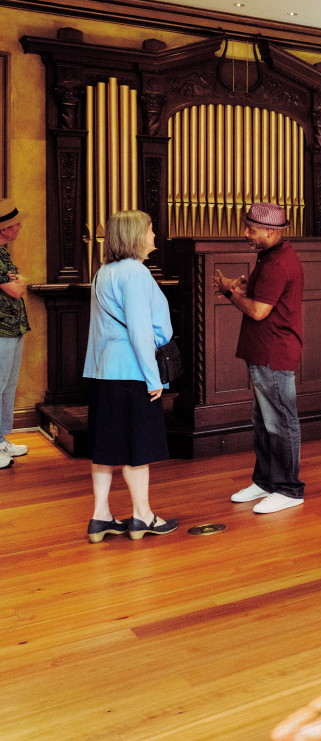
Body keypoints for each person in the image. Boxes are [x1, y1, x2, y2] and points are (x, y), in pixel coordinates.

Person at [83, 211, 178, 542]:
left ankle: (100, 518)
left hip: (102, 372)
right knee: (136, 446)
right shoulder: (136, 273)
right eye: (151, 230)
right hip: (133, 373)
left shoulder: (102, 273)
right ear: (136, 236)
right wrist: (154, 379)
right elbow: (140, 331)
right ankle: (142, 517)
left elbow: (98, 330)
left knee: (105, 447)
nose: (154, 235)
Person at [213, 202, 305, 514]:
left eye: (251, 229)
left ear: (270, 231)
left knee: (280, 423)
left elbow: (258, 310)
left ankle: (289, 489)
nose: (245, 234)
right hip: (264, 351)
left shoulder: (278, 263)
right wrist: (243, 287)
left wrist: (229, 293)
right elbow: (262, 298)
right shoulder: (270, 257)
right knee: (264, 422)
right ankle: (266, 481)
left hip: (273, 352)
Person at [0, 199, 30, 469]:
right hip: (1, 331)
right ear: (3, 229)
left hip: (12, 328)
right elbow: (16, 289)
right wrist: (19, 283)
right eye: (15, 223)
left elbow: (17, 281)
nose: (19, 226)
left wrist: (18, 282)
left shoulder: (4, 253)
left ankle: (0, 439)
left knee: (8, 387)